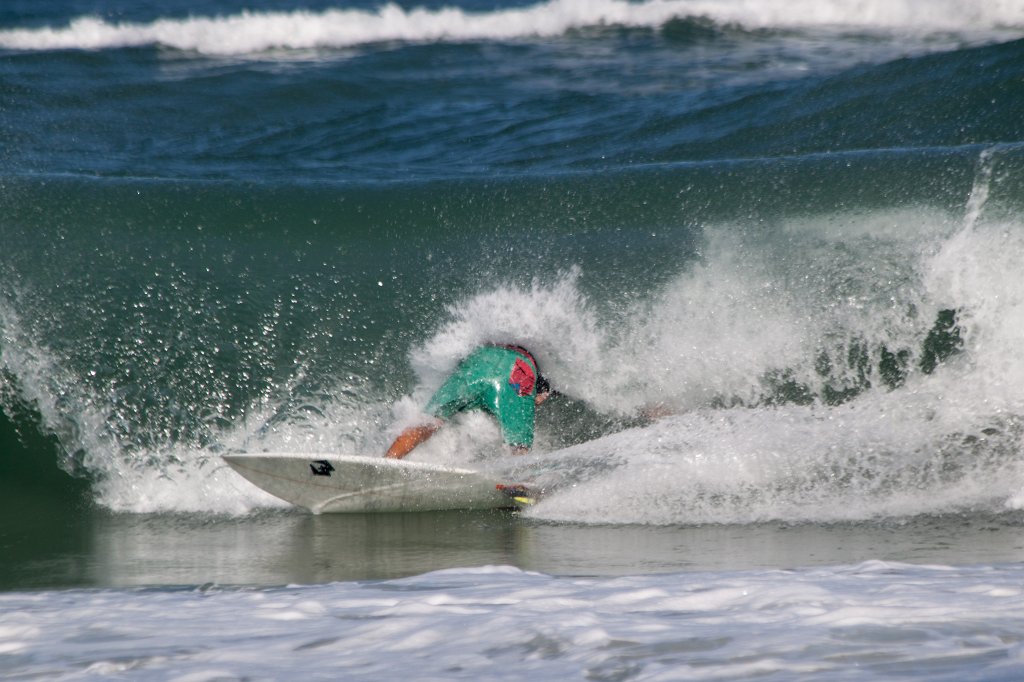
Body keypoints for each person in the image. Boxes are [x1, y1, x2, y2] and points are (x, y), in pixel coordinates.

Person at [385, 343, 553, 459]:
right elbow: (540, 396)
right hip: (518, 368)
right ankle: (519, 484)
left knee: (429, 421)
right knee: (518, 446)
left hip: (478, 361)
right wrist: (530, 403)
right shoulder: (542, 381)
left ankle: (388, 461)